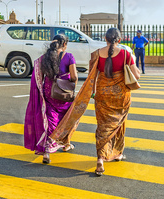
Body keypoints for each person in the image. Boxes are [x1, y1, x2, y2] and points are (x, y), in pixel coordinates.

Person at [50, 28, 140, 176]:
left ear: (105, 38)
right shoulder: (125, 54)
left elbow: (93, 76)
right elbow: (136, 75)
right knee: (118, 125)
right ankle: (116, 153)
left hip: (102, 95)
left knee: (102, 127)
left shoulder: (97, 54)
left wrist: (92, 93)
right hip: (121, 96)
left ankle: (100, 159)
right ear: (119, 40)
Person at [24, 34, 78, 164]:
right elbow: (74, 76)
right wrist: (70, 85)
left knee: (50, 122)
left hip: (49, 93)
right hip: (63, 94)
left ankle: (48, 152)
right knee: (65, 120)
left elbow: (39, 78)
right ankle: (64, 144)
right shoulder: (69, 56)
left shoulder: (44, 58)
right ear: (64, 44)